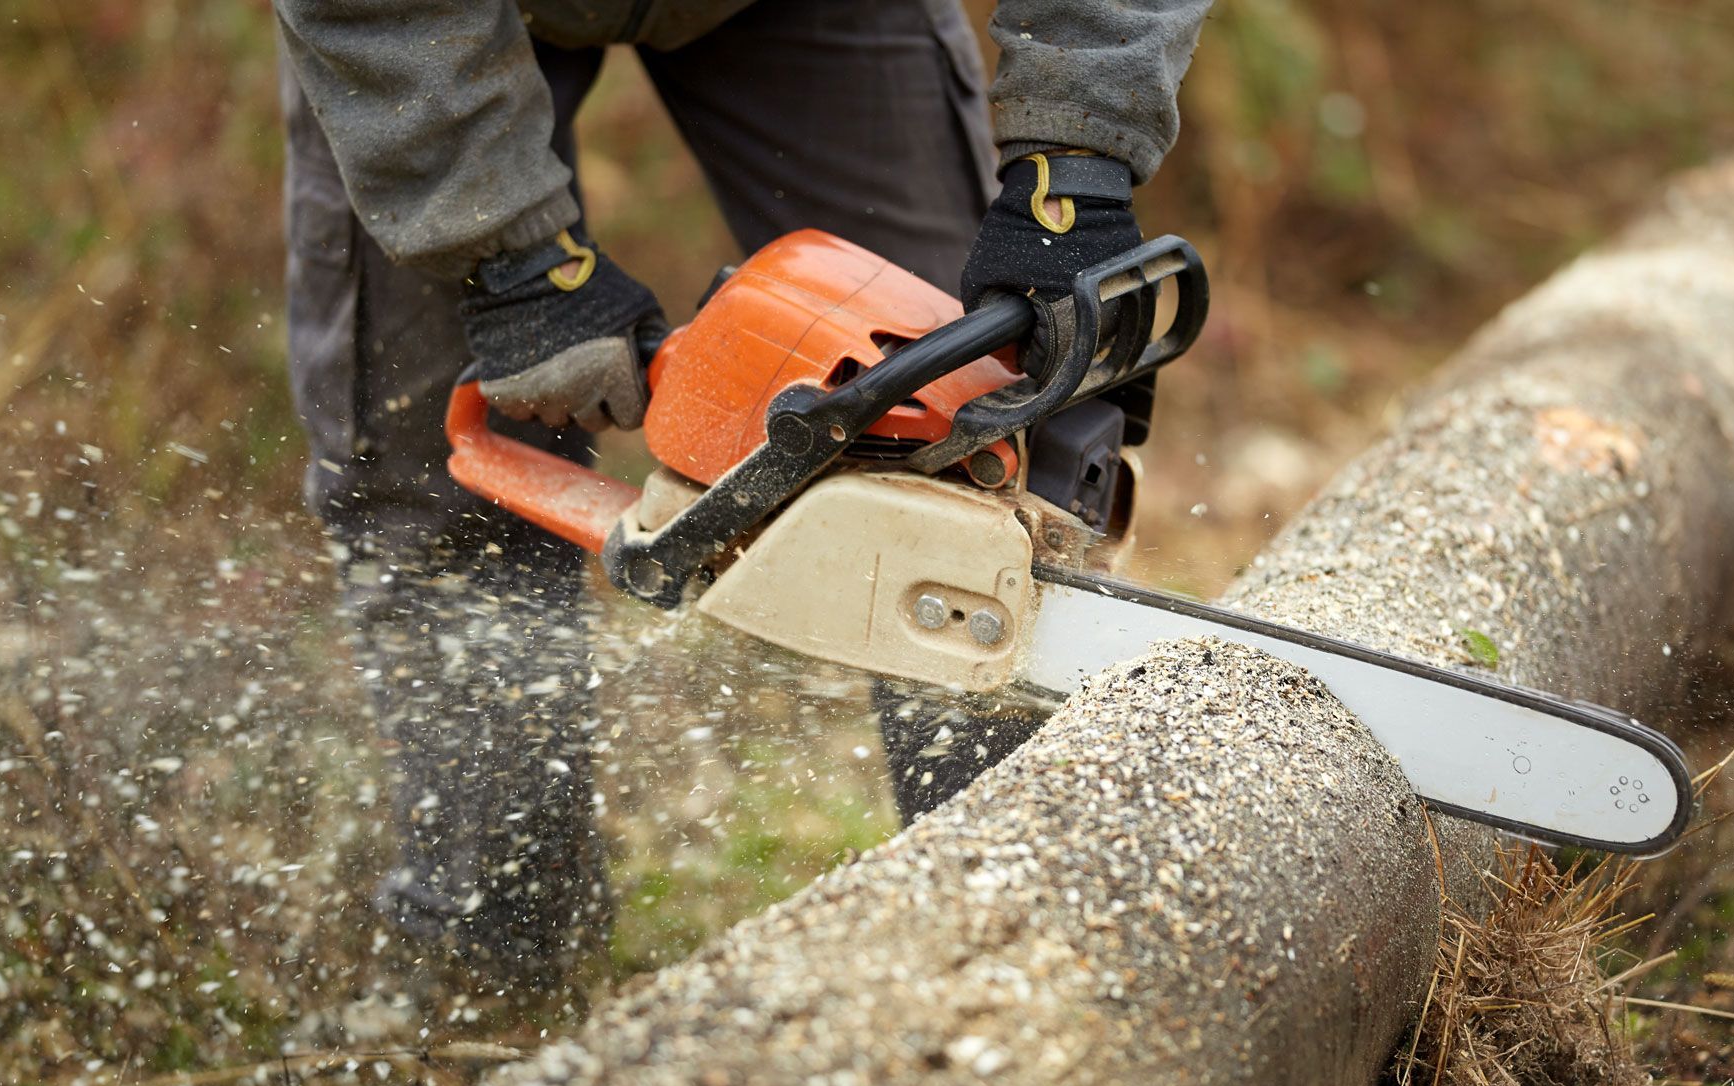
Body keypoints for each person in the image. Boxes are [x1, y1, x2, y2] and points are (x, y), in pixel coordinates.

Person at [274, 0, 1209, 990]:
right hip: (424, 25)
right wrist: (506, 256)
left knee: (973, 411)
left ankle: (1017, 922)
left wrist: (1077, 162)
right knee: (433, 479)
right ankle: (490, 952)